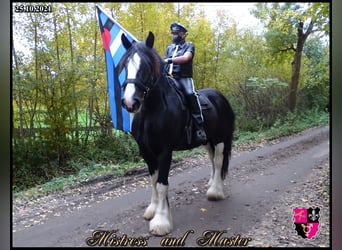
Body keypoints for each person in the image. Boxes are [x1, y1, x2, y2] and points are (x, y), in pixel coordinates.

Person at [164, 22, 207, 143]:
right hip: (169, 77)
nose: (174, 35)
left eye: (177, 33)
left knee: (190, 94)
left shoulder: (189, 46)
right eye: (173, 33)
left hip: (184, 78)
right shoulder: (169, 48)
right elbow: (164, 64)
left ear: (183, 34)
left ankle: (199, 127)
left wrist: (168, 60)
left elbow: (185, 58)